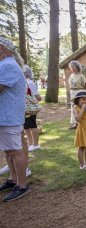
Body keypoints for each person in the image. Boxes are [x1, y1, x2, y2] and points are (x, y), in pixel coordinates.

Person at [0, 36, 30, 202]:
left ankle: (22, 185)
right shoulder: (6, 64)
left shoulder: (8, 65)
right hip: (6, 116)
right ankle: (13, 180)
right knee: (9, 151)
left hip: (8, 116)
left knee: (15, 151)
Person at [23, 65, 42, 151]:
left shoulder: (29, 83)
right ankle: (30, 144)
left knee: (32, 125)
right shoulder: (25, 82)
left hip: (30, 108)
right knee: (26, 127)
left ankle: (35, 144)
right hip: (26, 108)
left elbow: (37, 97)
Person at [68, 60, 86, 129]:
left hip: (79, 92)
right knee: (73, 107)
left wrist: (83, 93)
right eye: (71, 67)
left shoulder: (81, 76)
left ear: (77, 67)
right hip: (72, 92)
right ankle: (74, 123)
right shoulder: (71, 75)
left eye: (73, 67)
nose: (72, 69)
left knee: (79, 106)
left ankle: (80, 122)